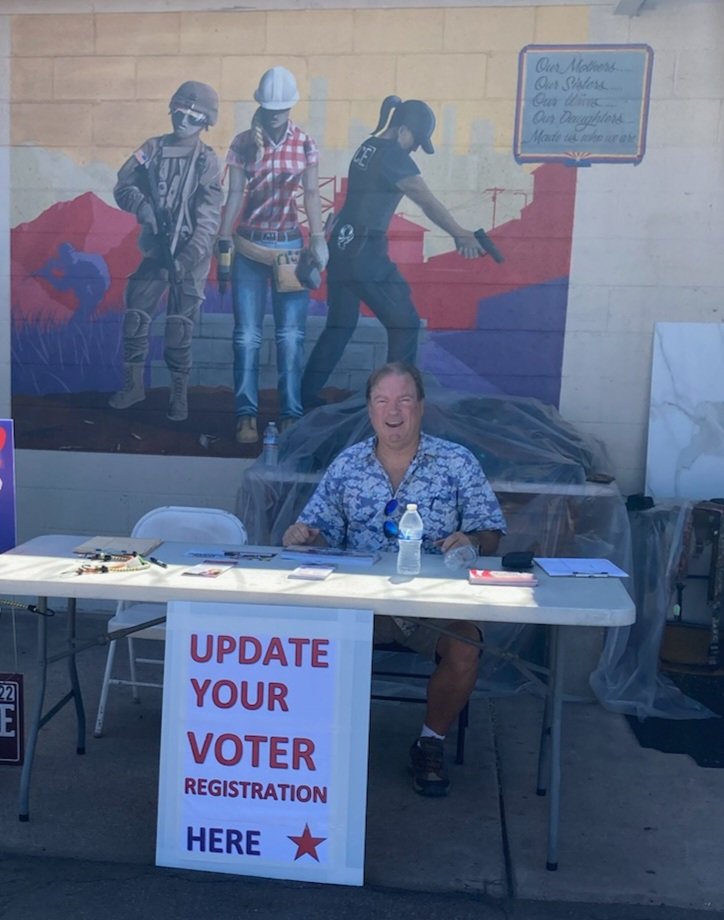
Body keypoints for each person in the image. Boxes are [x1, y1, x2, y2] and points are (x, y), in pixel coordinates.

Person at [283, 361, 506, 797]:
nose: (394, 411)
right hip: (361, 605)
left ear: (421, 407)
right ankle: (315, 741)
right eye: (383, 400)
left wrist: (472, 539)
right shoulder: (348, 465)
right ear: (369, 409)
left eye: (404, 400)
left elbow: (492, 533)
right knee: (307, 639)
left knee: (466, 647)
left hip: (433, 607)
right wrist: (303, 535)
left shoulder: (456, 462)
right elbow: (316, 530)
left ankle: (430, 742)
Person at [301, 95, 486, 409]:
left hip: (343, 246)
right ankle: (397, 404)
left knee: (340, 326)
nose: (414, 148)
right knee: (405, 324)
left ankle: (303, 398)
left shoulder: (368, 147)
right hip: (366, 254)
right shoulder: (393, 157)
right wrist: (460, 234)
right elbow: (425, 200)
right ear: (403, 129)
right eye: (416, 141)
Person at [217, 66, 328, 445]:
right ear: (262, 106)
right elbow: (233, 195)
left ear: (291, 107)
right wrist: (222, 240)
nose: (276, 113)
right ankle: (245, 415)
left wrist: (316, 237)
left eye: (281, 107)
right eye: (271, 107)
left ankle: (290, 414)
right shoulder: (243, 142)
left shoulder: (305, 144)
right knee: (246, 337)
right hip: (248, 245)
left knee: (290, 337)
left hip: (289, 248)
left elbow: (311, 194)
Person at [109, 81, 223, 422]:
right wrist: (145, 209)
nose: (183, 121)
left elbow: (208, 219)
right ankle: (133, 386)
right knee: (135, 316)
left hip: (190, 256)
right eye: (179, 112)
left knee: (179, 328)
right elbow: (123, 185)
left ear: (205, 121)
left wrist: (187, 259)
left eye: (193, 116)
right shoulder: (153, 149)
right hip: (156, 251)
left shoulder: (206, 161)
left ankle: (178, 395)